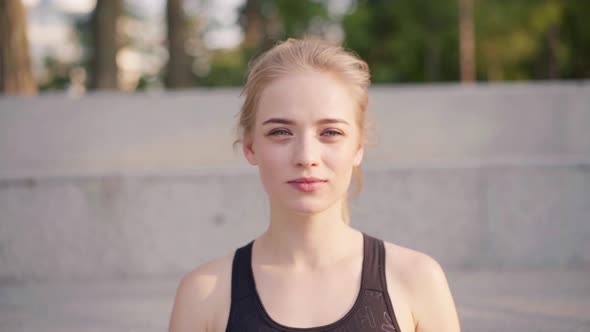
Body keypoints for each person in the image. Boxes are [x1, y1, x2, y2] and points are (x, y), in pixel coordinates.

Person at [168, 37, 461, 332]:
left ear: (358, 146)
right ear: (250, 145)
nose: (306, 157)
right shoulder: (203, 295)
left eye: (330, 132)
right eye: (281, 132)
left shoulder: (417, 280)